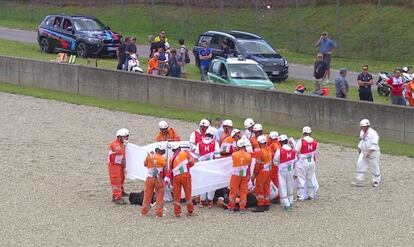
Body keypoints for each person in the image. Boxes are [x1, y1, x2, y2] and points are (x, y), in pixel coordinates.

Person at [165, 143, 196, 217]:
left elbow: (169, 171)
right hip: (185, 176)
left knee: (176, 195)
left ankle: (177, 212)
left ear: (173, 150)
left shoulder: (171, 158)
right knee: (188, 194)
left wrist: (168, 181)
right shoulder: (185, 152)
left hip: (176, 178)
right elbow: (192, 162)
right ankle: (190, 211)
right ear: (179, 148)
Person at [195, 127, 220, 208]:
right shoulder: (215, 143)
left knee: (202, 182)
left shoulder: (199, 143)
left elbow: (197, 156)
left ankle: (202, 200)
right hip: (212, 166)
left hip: (202, 166)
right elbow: (217, 156)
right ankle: (210, 201)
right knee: (211, 183)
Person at [140, 143, 167, 217]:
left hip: (149, 179)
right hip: (158, 179)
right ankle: (159, 213)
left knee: (147, 195)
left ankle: (143, 212)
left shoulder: (149, 157)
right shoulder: (163, 159)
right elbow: (166, 168)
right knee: (159, 195)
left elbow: (145, 164)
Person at [354, 119, 381, 187]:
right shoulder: (362, 132)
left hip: (373, 153)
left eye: (363, 126)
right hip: (363, 152)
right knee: (360, 165)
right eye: (361, 126)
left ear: (367, 126)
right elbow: (361, 140)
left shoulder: (374, 134)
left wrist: (368, 153)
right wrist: (359, 148)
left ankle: (376, 181)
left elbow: (374, 145)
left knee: (374, 167)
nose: (361, 128)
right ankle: (359, 181)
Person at [228, 139, 252, 213]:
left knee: (233, 191)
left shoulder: (234, 154)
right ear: (244, 146)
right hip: (244, 175)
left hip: (235, 175)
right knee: (243, 191)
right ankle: (242, 208)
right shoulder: (248, 155)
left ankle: (231, 207)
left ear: (238, 146)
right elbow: (249, 164)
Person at [294, 126, 318, 201]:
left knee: (301, 179)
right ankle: (311, 195)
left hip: (302, 162)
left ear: (303, 133)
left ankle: (300, 196)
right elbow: (315, 152)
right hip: (311, 162)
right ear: (310, 133)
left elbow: (296, 151)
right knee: (310, 179)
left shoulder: (301, 141)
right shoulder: (315, 142)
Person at [273, 135, 296, 212]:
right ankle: (291, 201)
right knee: (290, 185)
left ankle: (286, 204)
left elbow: (275, 162)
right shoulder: (293, 150)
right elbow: (295, 160)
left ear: (280, 142)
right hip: (291, 170)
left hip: (282, 171)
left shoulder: (279, 150)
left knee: (283, 186)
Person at [108, 128, 129, 205]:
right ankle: (117, 197)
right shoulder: (114, 144)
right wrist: (124, 145)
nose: (126, 138)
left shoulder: (121, 143)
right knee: (116, 181)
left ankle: (121, 192)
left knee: (121, 178)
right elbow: (119, 151)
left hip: (119, 165)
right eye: (125, 137)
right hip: (114, 166)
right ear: (119, 137)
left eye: (127, 137)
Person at [251, 135, 272, 213]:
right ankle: (266, 204)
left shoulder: (259, 152)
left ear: (259, 143)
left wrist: (254, 175)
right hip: (269, 171)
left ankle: (260, 205)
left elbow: (257, 165)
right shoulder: (269, 149)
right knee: (266, 188)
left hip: (262, 172)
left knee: (259, 189)